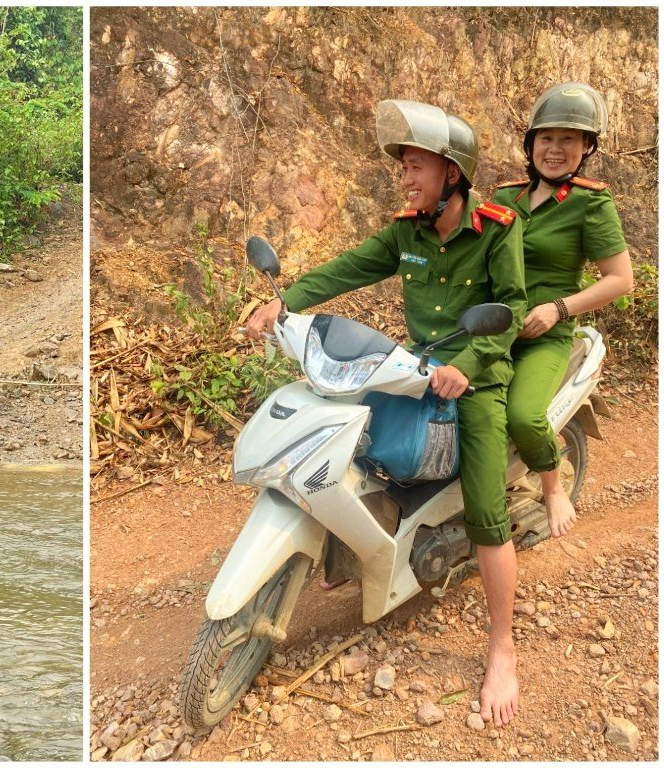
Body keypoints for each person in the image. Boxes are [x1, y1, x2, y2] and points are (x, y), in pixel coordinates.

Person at [245, 100, 527, 727]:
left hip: (474, 378)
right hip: (415, 363)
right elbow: (351, 268)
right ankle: (360, 549)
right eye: (403, 167)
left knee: (486, 507)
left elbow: (508, 313)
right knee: (353, 437)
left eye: (417, 166)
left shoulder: (498, 229)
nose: (405, 178)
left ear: (452, 172)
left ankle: (502, 649)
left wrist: (471, 367)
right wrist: (283, 303)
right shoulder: (406, 230)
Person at [492, 83, 633, 539]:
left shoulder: (591, 204)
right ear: (530, 142)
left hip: (543, 337)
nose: (555, 149)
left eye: (569, 139)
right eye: (546, 138)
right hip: (490, 329)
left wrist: (558, 308)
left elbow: (619, 280)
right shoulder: (503, 197)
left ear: (586, 148)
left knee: (523, 416)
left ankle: (551, 487)